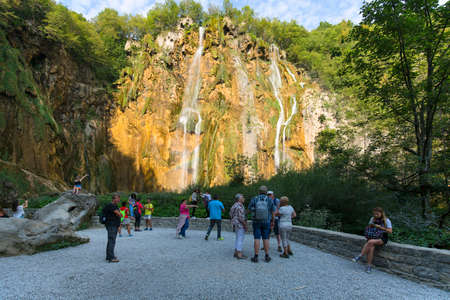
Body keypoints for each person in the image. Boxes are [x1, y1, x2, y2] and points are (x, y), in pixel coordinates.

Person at [352, 207, 393, 273]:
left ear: (381, 213)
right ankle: (369, 266)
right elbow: (368, 227)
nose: (375, 215)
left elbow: (390, 231)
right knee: (371, 247)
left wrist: (380, 227)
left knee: (370, 242)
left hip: (382, 238)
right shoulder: (372, 218)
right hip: (373, 236)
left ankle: (360, 256)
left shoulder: (386, 220)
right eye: (374, 214)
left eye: (377, 214)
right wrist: (372, 225)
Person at [248, 185, 276, 263]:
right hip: (266, 221)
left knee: (257, 238)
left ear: (259, 191)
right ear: (266, 192)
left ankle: (256, 256)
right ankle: (267, 256)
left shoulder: (254, 199)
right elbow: (273, 211)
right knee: (266, 238)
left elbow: (249, 209)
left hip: (256, 221)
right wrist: (273, 221)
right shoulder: (269, 199)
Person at [103, 193, 122, 263]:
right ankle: (111, 258)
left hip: (113, 225)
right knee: (112, 240)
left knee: (111, 240)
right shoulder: (111, 206)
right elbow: (119, 214)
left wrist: (119, 214)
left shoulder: (114, 205)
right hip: (111, 225)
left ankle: (109, 256)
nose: (119, 200)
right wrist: (120, 214)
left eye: (119, 198)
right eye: (117, 198)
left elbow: (119, 214)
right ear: (113, 199)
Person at [230, 193, 247, 259]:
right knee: (240, 238)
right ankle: (239, 254)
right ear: (239, 199)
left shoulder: (234, 205)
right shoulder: (240, 206)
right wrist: (245, 225)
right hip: (240, 224)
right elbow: (240, 218)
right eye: (243, 197)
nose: (244, 198)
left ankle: (236, 252)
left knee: (238, 238)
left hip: (235, 224)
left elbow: (231, 214)